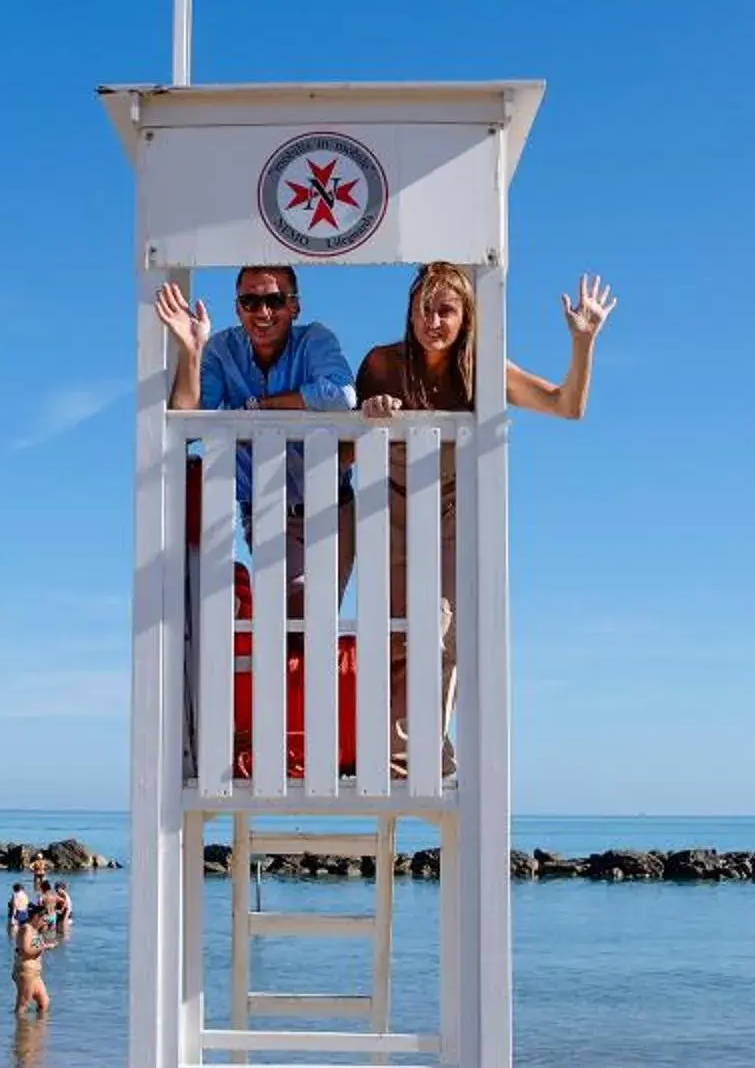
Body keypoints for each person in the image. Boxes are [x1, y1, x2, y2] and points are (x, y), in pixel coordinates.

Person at [354, 266, 618, 774]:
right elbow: (346, 436)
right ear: (409, 312)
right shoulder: (381, 363)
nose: (433, 321)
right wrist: (370, 409)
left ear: (465, 317)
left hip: (452, 511)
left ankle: (418, 748)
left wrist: (583, 342)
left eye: (446, 311)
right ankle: (387, 747)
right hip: (389, 505)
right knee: (393, 633)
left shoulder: (482, 369)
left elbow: (567, 407)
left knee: (442, 630)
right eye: (424, 309)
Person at [153, 264, 359, 603]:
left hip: (331, 506)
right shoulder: (221, 350)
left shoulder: (314, 340)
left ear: (295, 306)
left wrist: (262, 407)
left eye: (275, 301)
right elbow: (188, 423)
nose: (263, 312)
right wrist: (191, 351)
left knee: (316, 620)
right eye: (249, 302)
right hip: (264, 509)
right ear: (237, 308)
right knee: (293, 614)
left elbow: (341, 396)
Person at [11, 905, 52, 1019]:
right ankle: (20, 1031)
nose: (44, 921)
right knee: (23, 1004)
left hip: (35, 973)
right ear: (36, 917)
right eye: (43, 919)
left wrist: (44, 944)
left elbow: (35, 946)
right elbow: (26, 950)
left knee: (44, 1002)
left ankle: (36, 1030)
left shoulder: (35, 930)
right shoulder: (27, 928)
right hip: (26, 970)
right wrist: (43, 948)